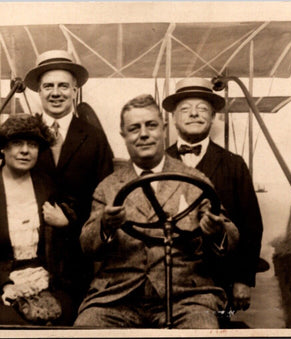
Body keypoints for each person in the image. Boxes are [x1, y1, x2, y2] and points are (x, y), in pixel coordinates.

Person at [74, 94, 239, 328]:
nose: (143, 134)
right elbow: (87, 246)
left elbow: (231, 238)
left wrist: (216, 230)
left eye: (151, 125)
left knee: (203, 332)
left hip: (186, 298)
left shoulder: (195, 180)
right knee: (85, 329)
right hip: (117, 298)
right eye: (134, 128)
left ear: (163, 129)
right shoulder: (108, 186)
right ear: (124, 136)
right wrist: (105, 225)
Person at [0, 114, 77, 325]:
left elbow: (66, 246)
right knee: (12, 324)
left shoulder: (48, 186)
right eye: (17, 143)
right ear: (3, 148)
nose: (25, 150)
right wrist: (6, 285)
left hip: (47, 281)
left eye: (32, 144)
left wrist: (65, 224)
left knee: (70, 317)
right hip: (0, 285)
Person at [164, 78, 263, 313]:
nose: (194, 115)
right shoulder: (158, 163)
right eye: (186, 110)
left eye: (203, 109)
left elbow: (251, 226)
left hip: (219, 279)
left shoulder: (234, 165)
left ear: (213, 117)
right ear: (174, 117)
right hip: (167, 277)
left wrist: (243, 280)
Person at [24, 50, 114, 302]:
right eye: (48, 86)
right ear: (39, 91)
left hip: (79, 257)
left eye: (63, 86)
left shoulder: (94, 137)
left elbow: (107, 194)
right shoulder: (23, 134)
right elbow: (7, 189)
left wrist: (71, 220)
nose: (56, 93)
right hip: (29, 251)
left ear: (75, 91)